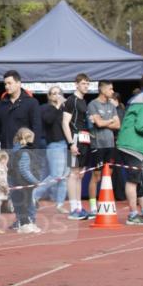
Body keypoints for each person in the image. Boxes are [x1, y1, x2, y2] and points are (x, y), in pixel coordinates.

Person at [116, 75, 143, 225]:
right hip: (132, 145)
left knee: (139, 179)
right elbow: (142, 126)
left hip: (131, 144)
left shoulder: (139, 99)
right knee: (133, 180)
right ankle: (132, 215)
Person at [86, 80, 120, 215]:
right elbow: (98, 124)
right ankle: (93, 206)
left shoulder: (112, 106)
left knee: (108, 176)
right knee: (96, 176)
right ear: (102, 89)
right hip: (98, 145)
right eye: (110, 89)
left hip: (110, 144)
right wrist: (110, 121)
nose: (112, 92)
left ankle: (104, 203)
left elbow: (118, 125)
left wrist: (106, 122)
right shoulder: (93, 104)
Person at [61, 73, 92, 220]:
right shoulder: (71, 101)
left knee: (79, 175)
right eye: (84, 83)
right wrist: (71, 143)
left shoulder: (83, 101)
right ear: (77, 84)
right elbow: (65, 123)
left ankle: (79, 207)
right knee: (73, 174)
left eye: (87, 84)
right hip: (74, 139)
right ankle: (73, 208)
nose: (86, 86)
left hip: (84, 139)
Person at [0, 70, 42, 150]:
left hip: (25, 150)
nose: (6, 86)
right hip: (6, 151)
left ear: (18, 83)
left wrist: (33, 150)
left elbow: (37, 128)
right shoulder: (0, 104)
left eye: (9, 83)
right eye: (5, 84)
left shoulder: (31, 102)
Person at [35, 85, 68, 209]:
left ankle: (60, 204)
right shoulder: (45, 108)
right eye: (53, 93)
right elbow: (48, 120)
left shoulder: (65, 108)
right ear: (49, 96)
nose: (56, 95)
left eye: (58, 93)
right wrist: (58, 106)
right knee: (55, 175)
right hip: (54, 145)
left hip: (67, 145)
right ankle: (34, 195)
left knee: (64, 176)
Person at [9, 128, 41, 234]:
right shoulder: (25, 152)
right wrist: (35, 181)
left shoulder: (14, 149)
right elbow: (24, 170)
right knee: (28, 204)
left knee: (20, 205)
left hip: (15, 183)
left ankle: (23, 223)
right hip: (24, 184)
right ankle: (27, 224)